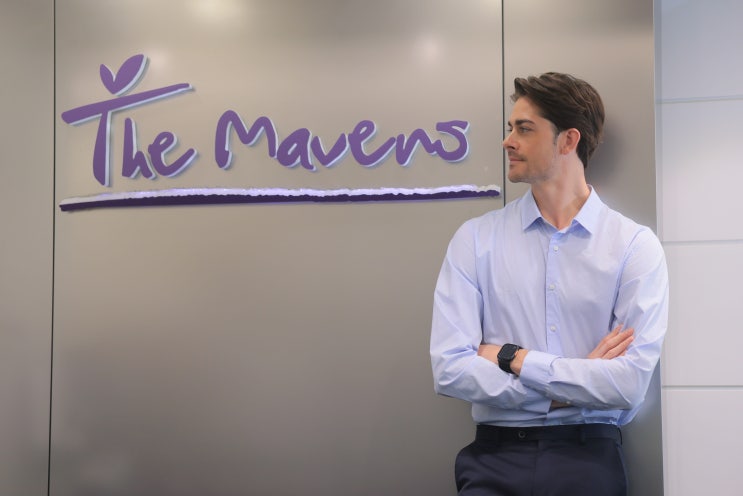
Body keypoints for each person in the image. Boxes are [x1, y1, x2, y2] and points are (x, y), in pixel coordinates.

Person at [430, 72, 668, 495]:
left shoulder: (634, 246)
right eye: (510, 128)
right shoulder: (475, 239)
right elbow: (450, 369)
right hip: (493, 460)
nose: (508, 141)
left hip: (589, 459)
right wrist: (567, 389)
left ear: (568, 140)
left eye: (524, 129)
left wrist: (514, 358)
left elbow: (628, 385)